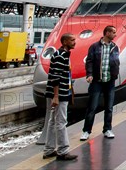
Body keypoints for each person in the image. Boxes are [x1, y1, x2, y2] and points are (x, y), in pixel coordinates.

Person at [80, 25, 120, 140]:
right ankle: (86, 131)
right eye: (113, 32)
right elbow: (89, 61)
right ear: (107, 33)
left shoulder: (115, 47)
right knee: (92, 107)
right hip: (97, 81)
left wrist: (115, 73)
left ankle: (107, 129)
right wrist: (89, 74)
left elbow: (116, 61)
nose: (115, 34)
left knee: (109, 107)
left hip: (110, 81)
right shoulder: (94, 47)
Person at [43, 33, 77, 161]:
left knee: (53, 121)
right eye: (72, 40)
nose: (75, 42)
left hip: (62, 93)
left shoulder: (64, 54)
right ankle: (63, 151)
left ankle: (49, 149)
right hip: (59, 94)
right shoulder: (60, 56)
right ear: (64, 42)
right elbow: (55, 77)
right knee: (61, 122)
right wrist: (56, 96)